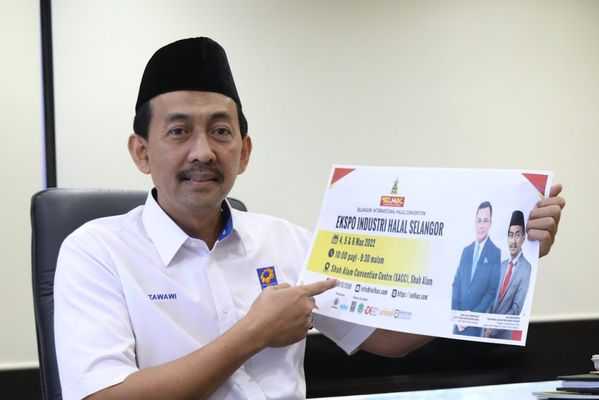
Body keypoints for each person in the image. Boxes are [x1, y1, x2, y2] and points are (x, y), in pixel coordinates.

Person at [53, 37, 565, 400]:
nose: (203, 151)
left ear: (244, 152)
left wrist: (515, 259)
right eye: (179, 131)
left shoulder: (286, 243)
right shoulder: (96, 251)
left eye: (221, 131)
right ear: (141, 152)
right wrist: (254, 333)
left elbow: (387, 339)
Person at [451, 201, 501, 337]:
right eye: (479, 221)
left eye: (485, 221)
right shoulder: (466, 251)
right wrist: (456, 315)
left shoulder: (495, 253)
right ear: (475, 222)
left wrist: (471, 317)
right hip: (457, 325)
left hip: (476, 327)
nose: (481, 225)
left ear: (490, 223)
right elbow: (456, 284)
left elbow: (492, 291)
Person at [483, 210, 531, 340]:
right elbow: (491, 298)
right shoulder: (501, 265)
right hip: (485, 334)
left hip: (504, 338)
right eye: (511, 235)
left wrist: (493, 328)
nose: (513, 241)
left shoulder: (526, 268)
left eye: (517, 235)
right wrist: (484, 325)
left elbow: (516, 309)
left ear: (523, 238)